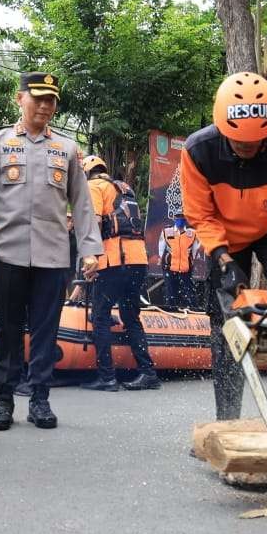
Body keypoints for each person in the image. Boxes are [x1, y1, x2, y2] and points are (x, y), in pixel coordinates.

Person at [0, 72, 103, 431]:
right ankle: (3, 400)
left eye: (51, 100)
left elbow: (82, 204)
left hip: (53, 256)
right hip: (6, 254)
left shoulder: (67, 149)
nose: (44, 105)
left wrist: (90, 250)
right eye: (37, 97)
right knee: (7, 330)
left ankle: (40, 399)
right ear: (19, 98)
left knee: (45, 330)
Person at [181, 72, 267, 417]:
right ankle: (227, 417)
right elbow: (199, 213)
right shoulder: (198, 150)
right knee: (226, 319)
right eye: (240, 143)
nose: (248, 149)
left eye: (256, 142)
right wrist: (223, 260)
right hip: (224, 236)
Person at [80, 156, 160, 392]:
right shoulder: (124, 188)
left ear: (87, 173)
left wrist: (89, 258)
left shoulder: (94, 186)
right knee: (130, 315)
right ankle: (148, 373)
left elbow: (94, 223)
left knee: (101, 316)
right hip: (138, 260)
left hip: (114, 260)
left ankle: (107, 377)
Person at [159, 213, 198, 309]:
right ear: (174, 218)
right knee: (171, 293)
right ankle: (171, 311)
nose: (180, 219)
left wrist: (190, 262)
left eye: (182, 217)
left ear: (186, 219)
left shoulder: (192, 233)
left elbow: (195, 251)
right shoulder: (166, 231)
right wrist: (163, 259)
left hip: (186, 269)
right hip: (169, 267)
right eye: (178, 217)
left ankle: (190, 313)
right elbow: (161, 248)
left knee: (188, 294)